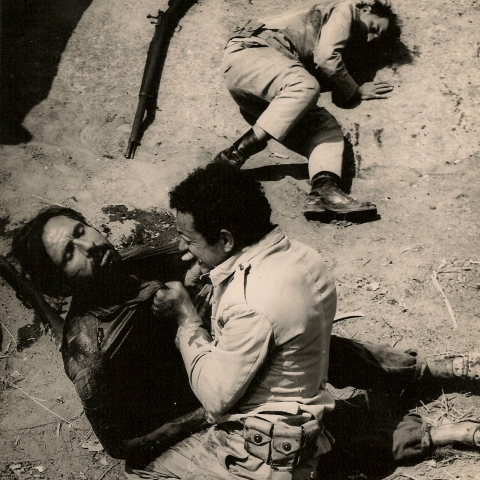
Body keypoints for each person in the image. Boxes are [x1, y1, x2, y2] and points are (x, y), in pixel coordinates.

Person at [9, 194, 479, 477]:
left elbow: (208, 251)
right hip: (192, 423)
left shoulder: (136, 262)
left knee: (287, 332)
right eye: (70, 253)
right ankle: (424, 437)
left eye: (81, 230)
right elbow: (123, 446)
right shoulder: (88, 349)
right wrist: (208, 413)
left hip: (215, 368)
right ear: (59, 283)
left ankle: (425, 370)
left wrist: (202, 281)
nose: (90, 245)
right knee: (284, 444)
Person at [143, 162, 479, 479]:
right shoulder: (303, 257)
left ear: (226, 239)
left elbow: (215, 398)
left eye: (190, 240)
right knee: (329, 354)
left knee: (145, 471)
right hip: (308, 407)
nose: (183, 249)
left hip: (268, 452)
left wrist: (186, 318)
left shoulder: (248, 303)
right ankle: (430, 389)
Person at [214, 0, 400, 219]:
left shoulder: (344, 44)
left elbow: (338, 93)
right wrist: (356, 92)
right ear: (365, 10)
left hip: (264, 93)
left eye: (376, 38)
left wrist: (353, 86)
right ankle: (230, 157)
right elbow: (326, 59)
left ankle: (324, 191)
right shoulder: (347, 7)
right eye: (374, 28)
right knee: (305, 85)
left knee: (326, 128)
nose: (370, 38)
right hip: (251, 53)